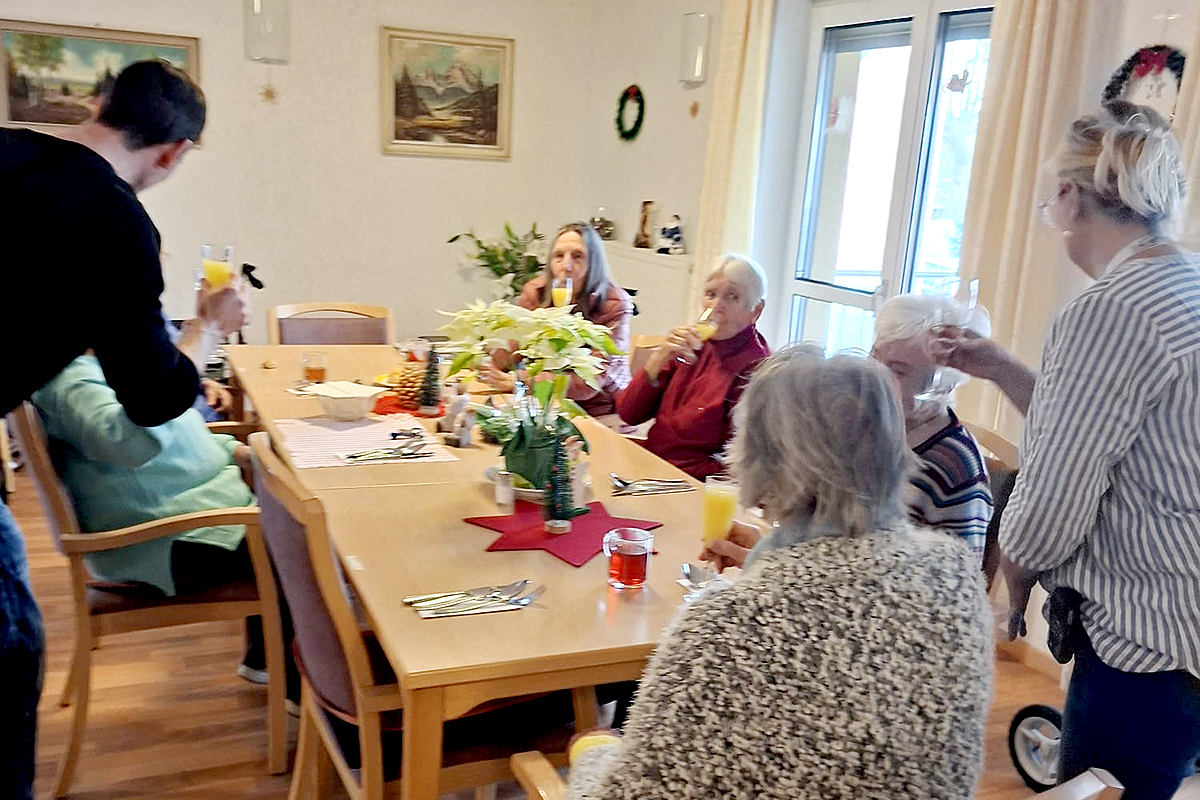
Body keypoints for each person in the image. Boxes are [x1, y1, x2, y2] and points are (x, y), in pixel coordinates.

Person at [565, 347, 993, 800]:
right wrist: (767, 557)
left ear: (757, 459)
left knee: (591, 739)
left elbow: (629, 795)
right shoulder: (955, 577)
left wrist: (592, 751)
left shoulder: (726, 625)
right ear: (895, 446)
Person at [937, 101, 1200, 800]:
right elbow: (1096, 430)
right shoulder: (1186, 286)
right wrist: (998, 366)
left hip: (1146, 650)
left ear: (1070, 199)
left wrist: (1009, 582)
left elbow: (1051, 504)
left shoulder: (1109, 310)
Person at [0, 59, 245, 799]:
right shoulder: (114, 220)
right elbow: (152, 400)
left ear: (101, 103)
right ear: (175, 151)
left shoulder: (10, 149)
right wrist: (204, 330)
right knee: (11, 652)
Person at [31, 355, 289, 685]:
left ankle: (267, 658)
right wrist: (201, 335)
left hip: (194, 517)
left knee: (288, 519)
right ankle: (305, 688)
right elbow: (128, 442)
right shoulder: (71, 378)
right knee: (305, 544)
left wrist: (231, 450)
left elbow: (178, 438)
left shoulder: (106, 364)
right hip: (162, 539)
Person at [616, 254, 770, 479]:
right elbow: (628, 413)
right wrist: (659, 357)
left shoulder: (756, 368)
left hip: (694, 484)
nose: (716, 306)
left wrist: (670, 475)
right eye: (710, 294)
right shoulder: (690, 344)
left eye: (732, 297)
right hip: (652, 471)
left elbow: (742, 466)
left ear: (755, 311)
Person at [871, 293, 993, 565]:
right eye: (874, 358)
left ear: (944, 386)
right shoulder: (872, 428)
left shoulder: (956, 468)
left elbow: (959, 585)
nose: (875, 376)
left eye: (898, 371)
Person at [482, 223, 633, 418]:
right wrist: (482, 355)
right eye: (559, 256)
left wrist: (520, 381)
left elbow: (588, 383)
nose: (566, 266)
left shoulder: (615, 304)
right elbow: (511, 348)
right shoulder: (536, 292)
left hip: (599, 412)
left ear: (594, 264)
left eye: (577, 256)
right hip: (544, 403)